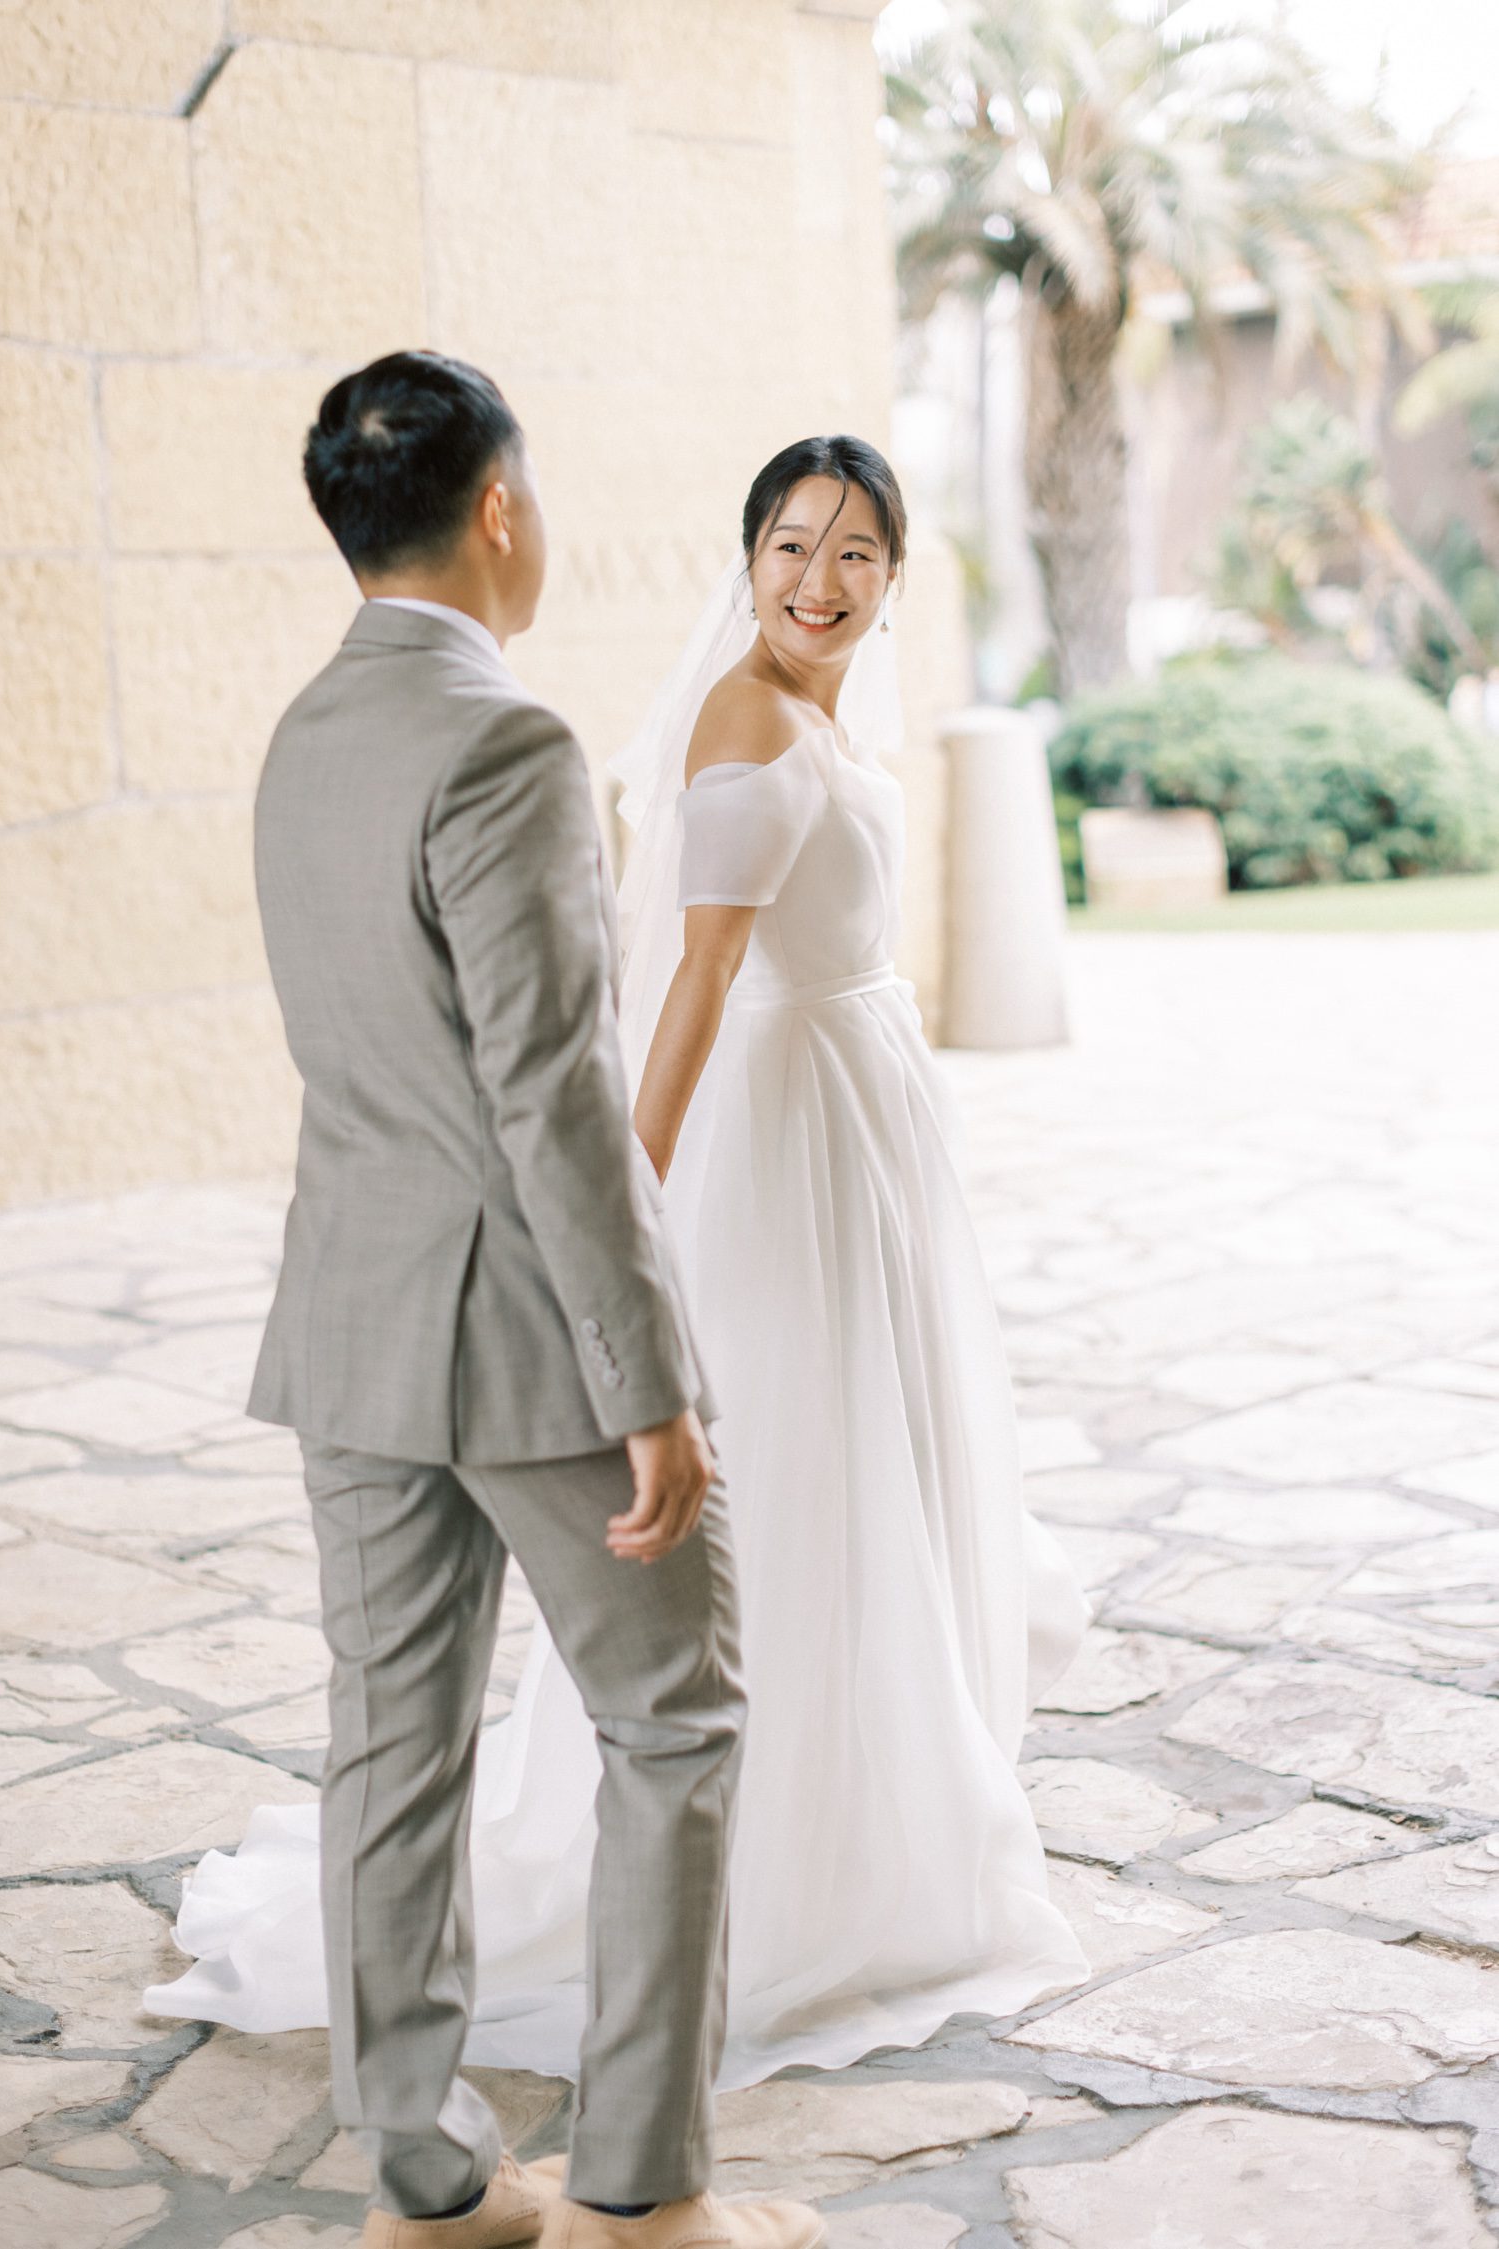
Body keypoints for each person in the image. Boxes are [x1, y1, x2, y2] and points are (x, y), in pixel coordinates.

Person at [150, 426, 1091, 2110]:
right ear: (745, 562)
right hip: (789, 1140)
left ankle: (863, 1810)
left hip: (860, 1123)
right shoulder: (742, 718)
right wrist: (636, 1202)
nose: (821, 579)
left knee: (872, 1462)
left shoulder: (823, 710)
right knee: (804, 1474)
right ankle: (790, 1894)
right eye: (793, 544)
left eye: (858, 551)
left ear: (893, 575)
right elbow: (693, 991)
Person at [154, 349, 826, 2249]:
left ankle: (432, 2186)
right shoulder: (507, 740)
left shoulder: (302, 734)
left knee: (390, 1747)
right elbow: (552, 1092)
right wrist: (656, 1379)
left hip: (354, 1334)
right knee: (677, 1722)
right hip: (529, 1346)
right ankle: (640, 2190)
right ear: (502, 504)